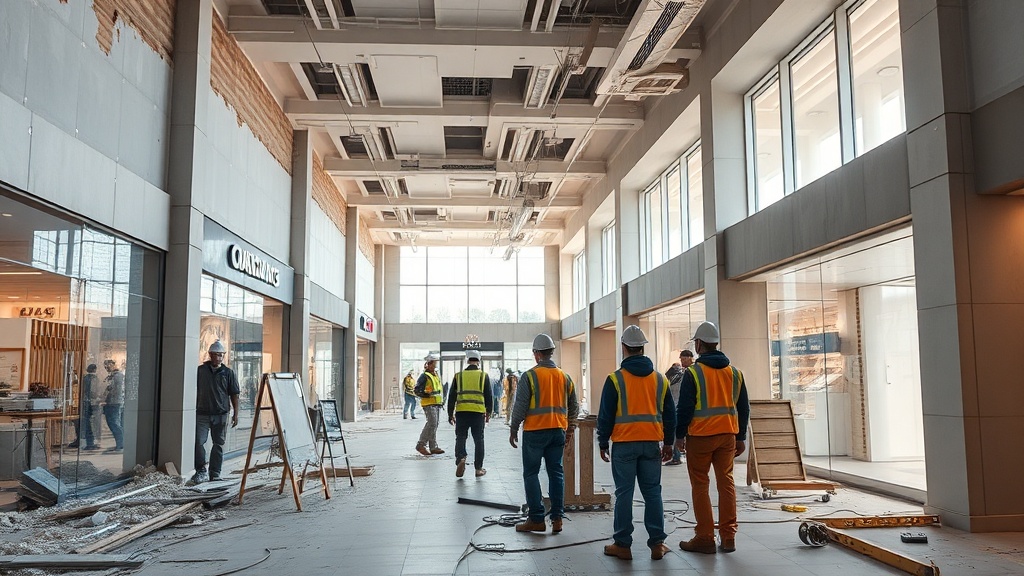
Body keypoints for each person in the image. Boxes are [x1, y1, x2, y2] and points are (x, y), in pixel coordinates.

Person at [597, 325, 675, 561]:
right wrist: (669, 443)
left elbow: (606, 415)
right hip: (651, 444)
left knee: (624, 494)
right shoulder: (660, 380)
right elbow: (670, 415)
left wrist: (603, 442)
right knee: (653, 493)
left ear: (624, 348)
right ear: (642, 348)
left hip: (624, 445)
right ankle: (657, 544)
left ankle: (623, 544)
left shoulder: (615, 379)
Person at [675, 321, 750, 555]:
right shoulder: (734, 373)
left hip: (700, 436)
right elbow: (744, 407)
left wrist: (679, 436)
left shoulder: (694, 373)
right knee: (726, 483)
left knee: (700, 485)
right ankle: (728, 537)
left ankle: (705, 537)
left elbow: (685, 409)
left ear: (698, 344)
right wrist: (741, 437)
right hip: (727, 436)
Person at [509, 333, 579, 534]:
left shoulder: (529, 376)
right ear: (551, 353)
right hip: (557, 430)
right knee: (556, 472)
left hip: (534, 432)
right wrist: (570, 428)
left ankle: (537, 518)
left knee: (531, 473)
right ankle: (557, 518)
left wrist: (514, 428)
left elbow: (520, 407)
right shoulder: (564, 377)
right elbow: (574, 406)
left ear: (537, 354)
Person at [192, 340, 240, 484]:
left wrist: (236, 414)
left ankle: (215, 472)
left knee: (218, 444)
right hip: (202, 413)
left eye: (220, 355)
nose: (218, 358)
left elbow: (234, 394)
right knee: (199, 442)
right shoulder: (200, 371)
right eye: (215, 355)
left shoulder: (228, 373)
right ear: (210, 355)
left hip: (221, 414)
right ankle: (200, 470)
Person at [447, 350, 492, 477]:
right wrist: (489, 412)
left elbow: (452, 396)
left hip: (461, 412)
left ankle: (461, 457)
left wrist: (450, 414)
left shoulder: (458, 376)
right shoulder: (483, 376)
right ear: (479, 361)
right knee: (479, 440)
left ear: (467, 361)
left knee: (461, 437)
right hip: (478, 413)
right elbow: (489, 396)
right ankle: (478, 469)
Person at [665, 349, 695, 465]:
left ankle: (677, 456)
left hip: (684, 406)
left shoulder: (691, 373)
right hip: (678, 405)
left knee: (679, 432)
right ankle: (677, 455)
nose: (682, 361)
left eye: (684, 359)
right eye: (681, 359)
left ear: (690, 358)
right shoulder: (680, 373)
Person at [414, 353, 445, 456]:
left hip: (436, 403)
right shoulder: (424, 376)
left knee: (434, 424)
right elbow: (417, 390)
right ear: (429, 364)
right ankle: (421, 444)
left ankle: (433, 447)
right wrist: (426, 395)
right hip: (429, 403)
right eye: (434, 363)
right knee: (432, 423)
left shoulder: (435, 375)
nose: (435, 365)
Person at [69, 364, 102, 451]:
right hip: (93, 403)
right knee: (94, 424)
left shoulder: (85, 378)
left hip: (85, 402)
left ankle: (90, 442)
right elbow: (93, 392)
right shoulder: (95, 379)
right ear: (95, 369)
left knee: (87, 423)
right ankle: (93, 442)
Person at [101, 359, 125, 453]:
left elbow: (115, 390)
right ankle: (119, 444)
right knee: (114, 423)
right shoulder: (112, 376)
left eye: (108, 366)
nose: (106, 368)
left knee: (114, 423)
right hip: (113, 402)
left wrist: (106, 399)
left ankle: (121, 444)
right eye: (105, 367)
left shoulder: (117, 376)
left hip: (114, 403)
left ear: (112, 365)